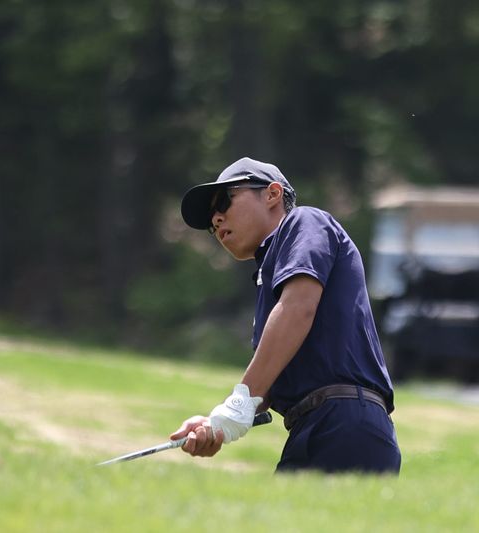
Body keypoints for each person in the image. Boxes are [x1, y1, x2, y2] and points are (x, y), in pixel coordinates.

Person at [170, 157, 401, 474]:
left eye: (224, 201)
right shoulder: (269, 277)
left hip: (344, 423)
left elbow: (298, 309)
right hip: (316, 426)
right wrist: (215, 423)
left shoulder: (306, 221)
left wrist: (240, 402)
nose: (217, 218)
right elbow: (267, 386)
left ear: (272, 194)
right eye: (211, 220)